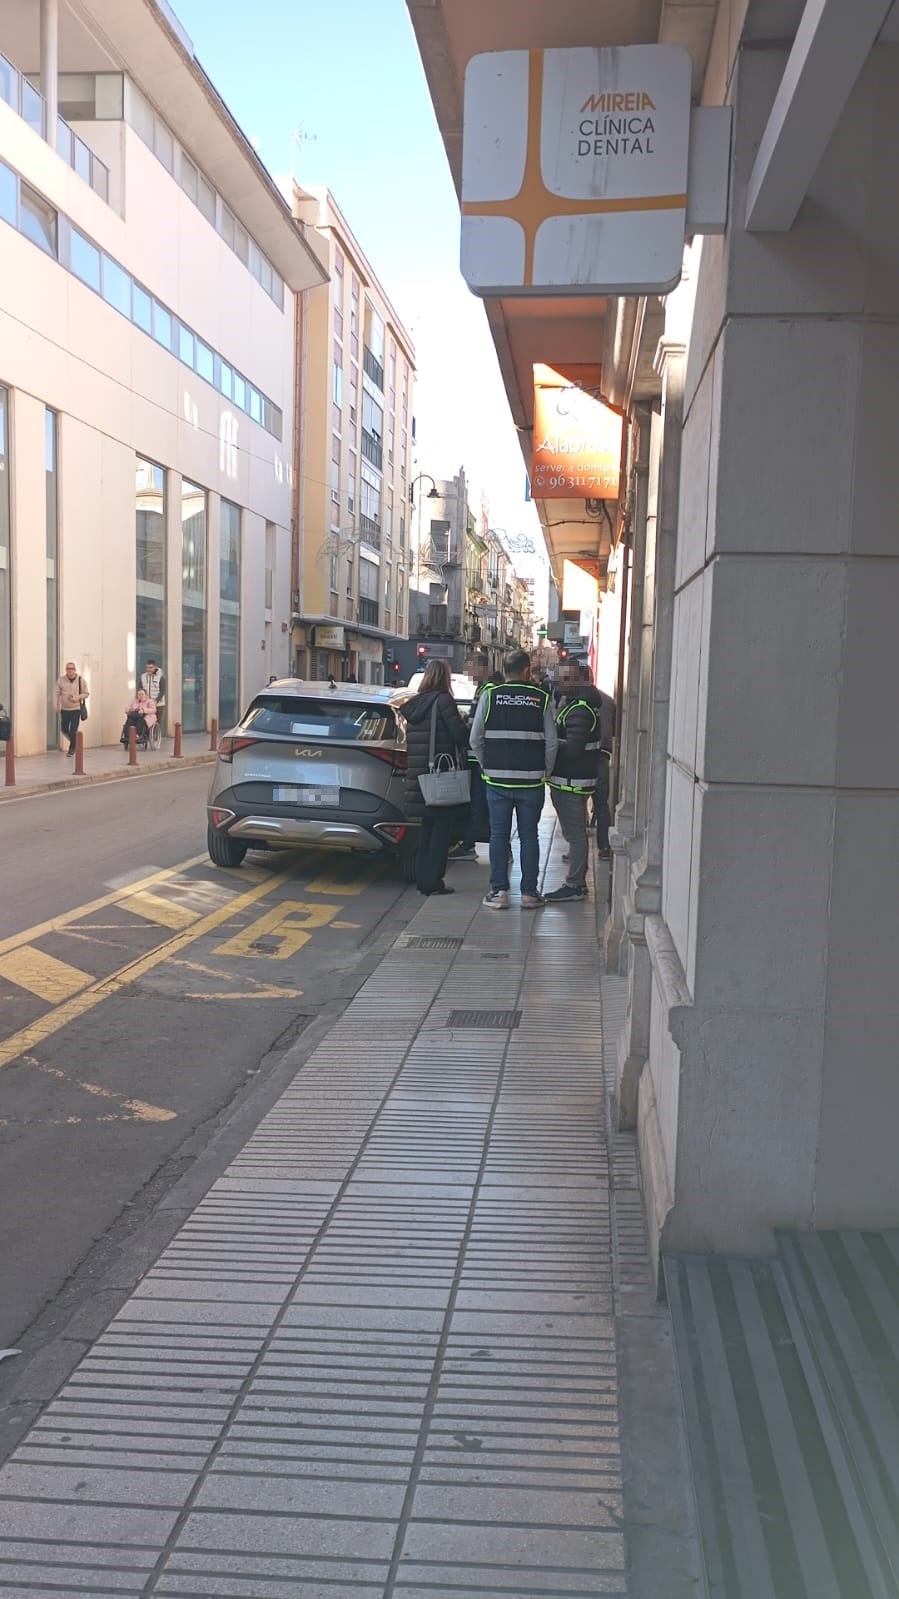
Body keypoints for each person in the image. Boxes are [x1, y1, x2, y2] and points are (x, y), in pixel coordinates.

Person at [470, 647, 558, 909]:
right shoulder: (541, 698)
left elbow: (475, 739)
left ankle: (499, 892)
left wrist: (487, 766)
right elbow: (552, 743)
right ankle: (529, 893)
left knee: (499, 836)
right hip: (531, 781)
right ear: (527, 670)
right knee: (529, 835)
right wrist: (546, 770)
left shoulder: (490, 696)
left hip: (497, 782)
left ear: (505, 670)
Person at [401, 658, 470, 896]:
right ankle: (433, 882)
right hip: (439, 776)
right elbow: (460, 735)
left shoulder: (415, 704)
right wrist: (466, 725)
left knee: (427, 831)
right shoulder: (443, 700)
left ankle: (423, 879)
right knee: (441, 832)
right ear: (444, 677)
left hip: (419, 777)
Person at [545, 664, 606, 901]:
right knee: (575, 832)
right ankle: (577, 879)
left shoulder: (580, 709)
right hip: (574, 779)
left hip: (572, 780)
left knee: (575, 834)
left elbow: (573, 748)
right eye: (560, 678)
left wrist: (551, 745)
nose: (561, 683)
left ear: (581, 679)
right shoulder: (578, 705)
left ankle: (575, 884)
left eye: (567, 678)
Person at [447, 670, 505, 862]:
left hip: (479, 758)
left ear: (481, 668)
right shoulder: (489, 691)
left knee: (481, 804)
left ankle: (471, 845)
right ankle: (479, 844)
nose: (468, 672)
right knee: (487, 805)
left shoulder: (486, 691)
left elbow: (475, 727)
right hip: (485, 758)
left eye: (470, 667)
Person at [592, 683, 616, 860]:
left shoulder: (572, 699)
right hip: (602, 755)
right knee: (601, 803)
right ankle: (605, 846)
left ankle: (576, 847)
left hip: (582, 756)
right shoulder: (608, 701)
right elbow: (614, 730)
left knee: (577, 802)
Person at [53, 662, 89, 755]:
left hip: (76, 709)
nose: (70, 671)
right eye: (68, 669)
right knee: (64, 729)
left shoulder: (80, 680)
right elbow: (56, 693)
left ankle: (72, 748)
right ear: (66, 670)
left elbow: (86, 693)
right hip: (65, 709)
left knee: (73, 729)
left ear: (75, 670)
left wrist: (77, 697)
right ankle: (74, 742)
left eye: (72, 669)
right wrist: (55, 705)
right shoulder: (61, 680)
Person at [139, 660, 166, 730]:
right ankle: (147, 735)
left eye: (151, 667)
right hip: (146, 703)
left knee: (157, 722)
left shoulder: (160, 677)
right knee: (146, 721)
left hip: (158, 704)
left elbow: (162, 691)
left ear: (155, 667)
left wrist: (156, 700)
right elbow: (140, 689)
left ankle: (156, 735)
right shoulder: (143, 676)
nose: (149, 669)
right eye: (148, 667)